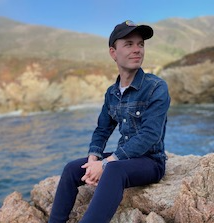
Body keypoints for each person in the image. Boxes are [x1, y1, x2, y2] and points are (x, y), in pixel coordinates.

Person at [49, 20, 170, 223]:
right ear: (113, 52)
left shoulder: (156, 87)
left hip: (151, 162)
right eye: (129, 44)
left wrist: (106, 164)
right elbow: (102, 130)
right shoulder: (112, 93)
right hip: (123, 160)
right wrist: (93, 159)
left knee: (113, 169)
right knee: (72, 169)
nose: (137, 50)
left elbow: (150, 134)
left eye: (140, 44)